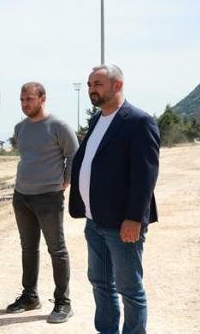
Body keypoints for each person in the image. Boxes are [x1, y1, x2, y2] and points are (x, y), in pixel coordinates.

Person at [70, 65, 160, 334]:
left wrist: (135, 218)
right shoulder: (97, 119)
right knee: (100, 282)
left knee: (129, 288)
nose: (91, 89)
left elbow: (145, 176)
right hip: (94, 219)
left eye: (97, 83)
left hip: (123, 223)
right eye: (88, 84)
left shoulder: (138, 121)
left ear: (117, 85)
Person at [6, 82, 78, 323]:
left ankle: (63, 302)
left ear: (42, 99)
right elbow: (27, 157)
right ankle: (30, 296)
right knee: (28, 248)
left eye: (29, 99)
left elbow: (73, 155)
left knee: (56, 249)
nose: (25, 104)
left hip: (49, 197)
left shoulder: (58, 126)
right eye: (22, 100)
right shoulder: (20, 128)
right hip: (22, 196)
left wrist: (65, 181)